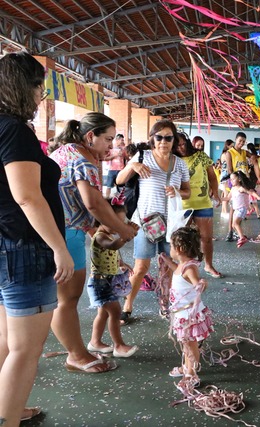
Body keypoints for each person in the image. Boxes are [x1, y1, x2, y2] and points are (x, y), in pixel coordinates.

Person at [0, 51, 74, 425]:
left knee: (5, 342)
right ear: (21, 87)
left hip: (4, 247)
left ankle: (6, 409)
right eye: (38, 86)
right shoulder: (13, 130)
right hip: (23, 249)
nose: (41, 94)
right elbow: (26, 195)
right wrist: (59, 248)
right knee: (26, 350)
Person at [50, 112, 137, 374]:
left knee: (61, 299)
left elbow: (72, 200)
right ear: (90, 136)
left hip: (59, 229)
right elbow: (93, 202)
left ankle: (79, 351)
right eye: (108, 139)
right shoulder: (84, 160)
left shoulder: (66, 151)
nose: (112, 146)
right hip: (67, 233)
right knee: (67, 299)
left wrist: (95, 230)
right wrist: (122, 229)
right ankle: (76, 355)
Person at [115, 119, 190, 325]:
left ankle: (165, 303)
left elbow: (187, 192)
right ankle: (127, 306)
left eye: (168, 138)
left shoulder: (180, 164)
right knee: (141, 267)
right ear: (152, 138)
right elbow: (120, 180)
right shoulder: (142, 156)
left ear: (174, 140)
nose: (163, 142)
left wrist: (176, 192)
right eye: (159, 137)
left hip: (170, 224)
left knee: (168, 265)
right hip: (144, 222)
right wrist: (133, 165)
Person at [160, 227, 214, 385]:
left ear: (180, 249)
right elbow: (176, 270)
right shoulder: (182, 264)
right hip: (181, 314)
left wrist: (202, 284)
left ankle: (192, 373)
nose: (169, 249)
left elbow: (198, 284)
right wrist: (166, 260)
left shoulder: (190, 268)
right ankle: (186, 367)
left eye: (170, 246)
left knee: (190, 345)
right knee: (186, 344)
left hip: (189, 316)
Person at [86, 201, 138, 358]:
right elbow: (112, 246)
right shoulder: (100, 236)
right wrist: (125, 236)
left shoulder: (107, 234)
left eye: (121, 223)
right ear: (102, 219)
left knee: (103, 313)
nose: (119, 226)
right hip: (100, 283)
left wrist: (121, 263)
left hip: (105, 281)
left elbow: (110, 254)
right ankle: (119, 345)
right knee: (115, 312)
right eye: (115, 222)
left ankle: (95, 342)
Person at [174, 132, 222, 279]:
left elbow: (212, 175)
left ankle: (208, 265)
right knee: (181, 238)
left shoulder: (201, 156)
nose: (181, 148)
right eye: (177, 145)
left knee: (206, 237)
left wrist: (215, 191)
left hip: (202, 202)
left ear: (187, 142)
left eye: (183, 144)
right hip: (182, 204)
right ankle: (182, 267)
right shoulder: (173, 159)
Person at [222, 132, 248, 241]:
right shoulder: (229, 153)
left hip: (242, 183)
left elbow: (254, 157)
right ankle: (230, 232)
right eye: (239, 140)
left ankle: (237, 231)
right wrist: (235, 183)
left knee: (240, 207)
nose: (241, 143)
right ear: (235, 140)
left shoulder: (244, 152)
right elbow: (230, 170)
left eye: (243, 141)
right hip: (233, 182)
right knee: (233, 208)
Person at [224, 171, 260, 248]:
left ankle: (242, 238)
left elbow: (251, 192)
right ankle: (242, 236)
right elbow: (227, 198)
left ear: (239, 179)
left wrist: (257, 197)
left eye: (233, 179)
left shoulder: (241, 188)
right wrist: (218, 199)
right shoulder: (233, 188)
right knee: (233, 225)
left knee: (236, 223)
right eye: (230, 179)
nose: (231, 181)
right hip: (236, 209)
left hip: (242, 208)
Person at [103, 134, 126, 198]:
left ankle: (120, 200)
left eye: (123, 140)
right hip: (112, 169)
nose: (122, 141)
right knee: (109, 186)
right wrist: (115, 156)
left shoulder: (123, 149)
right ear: (117, 140)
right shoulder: (111, 148)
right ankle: (107, 199)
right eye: (121, 140)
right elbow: (105, 158)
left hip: (121, 170)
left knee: (121, 187)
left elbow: (126, 158)